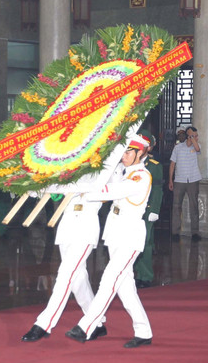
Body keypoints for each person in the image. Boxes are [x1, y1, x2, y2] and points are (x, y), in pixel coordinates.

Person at [20, 143, 129, 342]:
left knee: (66, 274)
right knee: (78, 278)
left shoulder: (107, 166)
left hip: (86, 226)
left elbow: (114, 190)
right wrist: (34, 185)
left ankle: (44, 323)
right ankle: (96, 322)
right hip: (67, 224)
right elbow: (51, 187)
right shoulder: (71, 166)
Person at [66, 134, 154, 348]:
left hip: (129, 237)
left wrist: (83, 190)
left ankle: (87, 325)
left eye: (128, 152)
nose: (123, 156)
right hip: (115, 235)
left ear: (141, 152)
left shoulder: (141, 176)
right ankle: (143, 331)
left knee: (109, 280)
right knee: (125, 288)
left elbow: (112, 191)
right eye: (122, 152)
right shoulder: (124, 173)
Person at [134, 133, 163, 288]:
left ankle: (145, 276)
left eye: (143, 143)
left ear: (150, 147)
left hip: (147, 209)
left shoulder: (154, 165)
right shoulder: (129, 162)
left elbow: (158, 189)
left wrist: (155, 209)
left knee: (145, 243)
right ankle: (134, 273)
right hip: (131, 209)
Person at [169, 124, 202, 241]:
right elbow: (172, 164)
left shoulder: (197, 146)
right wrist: (170, 180)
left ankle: (195, 232)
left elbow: (198, 149)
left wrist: (193, 139)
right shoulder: (177, 148)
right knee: (176, 206)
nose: (195, 137)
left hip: (193, 179)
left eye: (196, 136)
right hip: (179, 180)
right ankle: (175, 232)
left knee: (194, 206)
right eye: (193, 135)